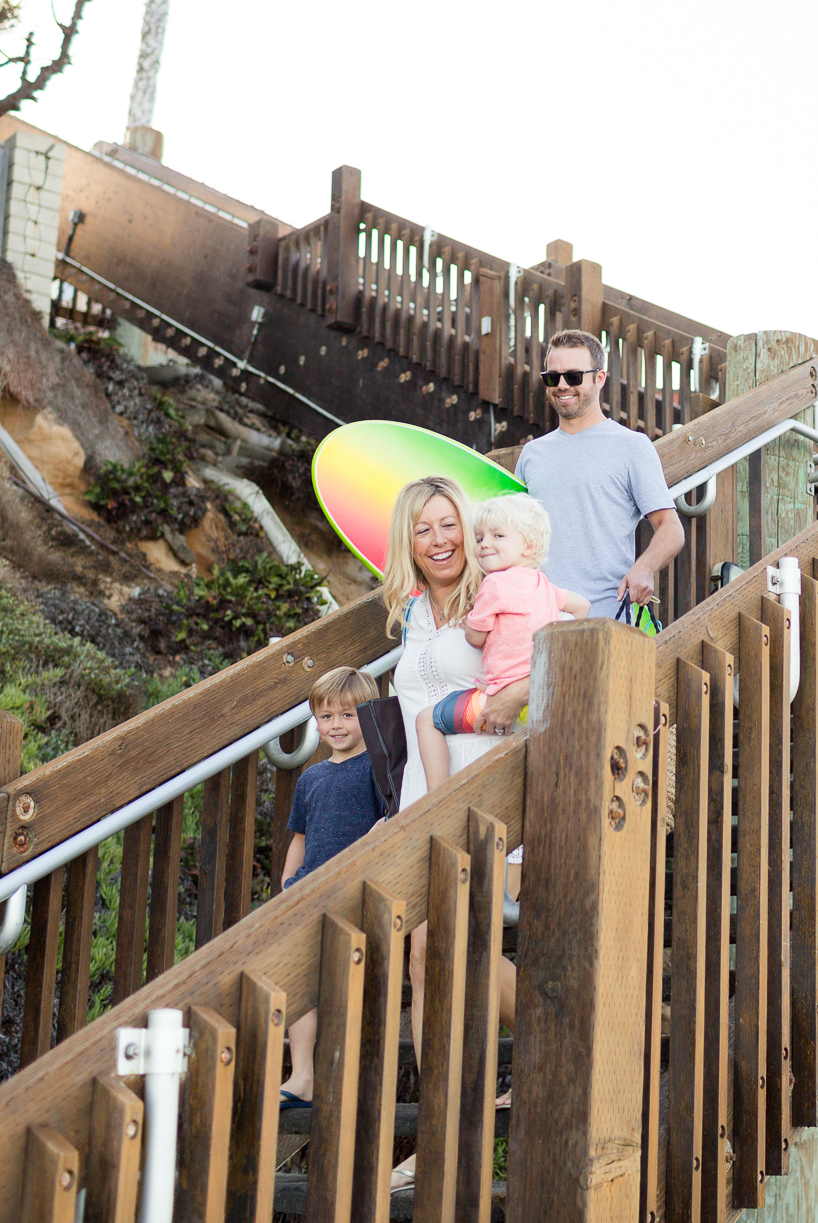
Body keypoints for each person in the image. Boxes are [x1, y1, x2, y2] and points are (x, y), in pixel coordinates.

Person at [379, 475, 520, 1193]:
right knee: (422, 951)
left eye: (448, 524)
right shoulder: (413, 613)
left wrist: (494, 706)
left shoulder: (498, 591)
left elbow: (534, 671)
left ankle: (551, 1034)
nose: (439, 541)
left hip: (485, 788)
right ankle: (439, 1119)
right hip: (420, 799)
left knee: (456, 945)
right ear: (409, 540)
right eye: (423, 529)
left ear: (468, 526)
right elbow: (413, 699)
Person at [415, 493, 589, 786]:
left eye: (497, 535)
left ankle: (435, 797)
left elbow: (475, 637)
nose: (484, 544)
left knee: (426, 720)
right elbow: (582, 606)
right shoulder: (544, 586)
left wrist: (470, 622)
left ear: (529, 545)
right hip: (540, 695)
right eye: (480, 537)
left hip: (495, 699)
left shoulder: (493, 584)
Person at [516, 328, 684, 621]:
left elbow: (670, 527)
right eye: (552, 377)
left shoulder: (632, 446)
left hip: (605, 619)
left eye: (574, 376)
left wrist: (645, 567)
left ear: (600, 378)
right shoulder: (532, 454)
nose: (562, 385)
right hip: (534, 619)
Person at [275, 666, 382, 1110]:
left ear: (369, 717)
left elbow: (388, 820)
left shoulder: (378, 767)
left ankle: (345, 1075)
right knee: (298, 975)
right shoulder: (311, 777)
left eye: (347, 716)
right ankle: (302, 1075)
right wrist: (287, 884)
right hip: (309, 889)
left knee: (340, 978)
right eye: (326, 717)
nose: (336, 725)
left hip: (355, 889)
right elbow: (299, 836)